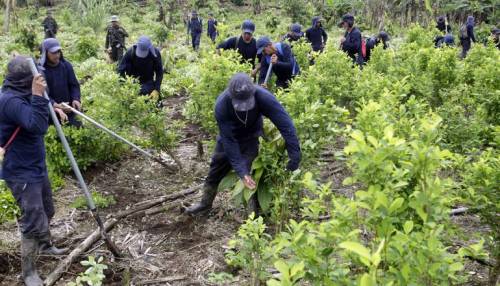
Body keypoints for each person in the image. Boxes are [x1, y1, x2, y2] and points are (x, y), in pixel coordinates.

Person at [183, 73, 301, 216]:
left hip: (252, 136)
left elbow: (285, 124)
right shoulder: (222, 104)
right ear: (232, 96)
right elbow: (229, 141)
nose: (244, 107)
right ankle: (205, 204)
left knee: (250, 171)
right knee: (216, 169)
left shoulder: (263, 96)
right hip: (229, 138)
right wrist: (241, 172)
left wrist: (294, 154)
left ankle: (253, 214)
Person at [0, 56, 68, 286]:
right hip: (21, 172)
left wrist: (53, 109)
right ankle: (28, 271)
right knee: (32, 218)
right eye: (33, 80)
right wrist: (38, 96)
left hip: (36, 166)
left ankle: (46, 245)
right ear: (23, 81)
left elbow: (39, 117)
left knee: (47, 210)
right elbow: (35, 126)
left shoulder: (23, 94)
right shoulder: (9, 101)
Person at [40, 38, 81, 127]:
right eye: (53, 52)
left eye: (58, 51)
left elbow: (74, 85)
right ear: (45, 53)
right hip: (51, 113)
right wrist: (55, 105)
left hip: (69, 109)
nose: (57, 55)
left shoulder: (66, 66)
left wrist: (76, 98)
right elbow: (42, 94)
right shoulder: (41, 71)